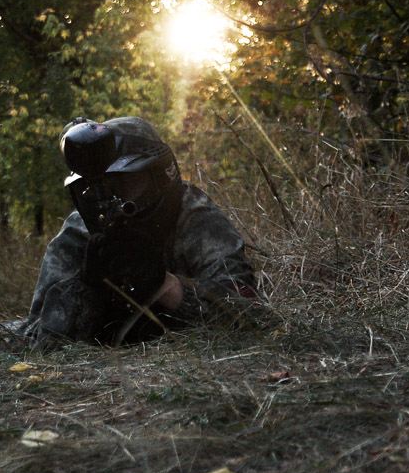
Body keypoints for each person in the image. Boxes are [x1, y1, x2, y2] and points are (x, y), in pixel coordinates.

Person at [23, 116, 266, 347]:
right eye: (99, 190)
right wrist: (87, 286)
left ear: (161, 176)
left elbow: (252, 318)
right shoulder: (78, 233)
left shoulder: (195, 216)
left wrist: (164, 285)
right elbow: (37, 342)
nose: (112, 202)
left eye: (124, 184)